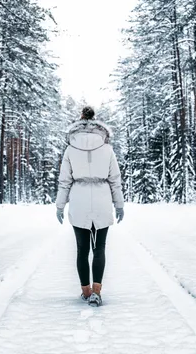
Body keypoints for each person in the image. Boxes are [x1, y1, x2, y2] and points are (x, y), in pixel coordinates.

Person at [55, 106, 124, 307]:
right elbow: (115, 180)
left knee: (82, 249)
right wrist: (119, 205)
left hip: (79, 200)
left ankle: (86, 292)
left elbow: (64, 181)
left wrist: (60, 206)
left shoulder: (70, 149)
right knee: (100, 247)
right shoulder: (107, 149)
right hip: (102, 199)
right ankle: (97, 291)